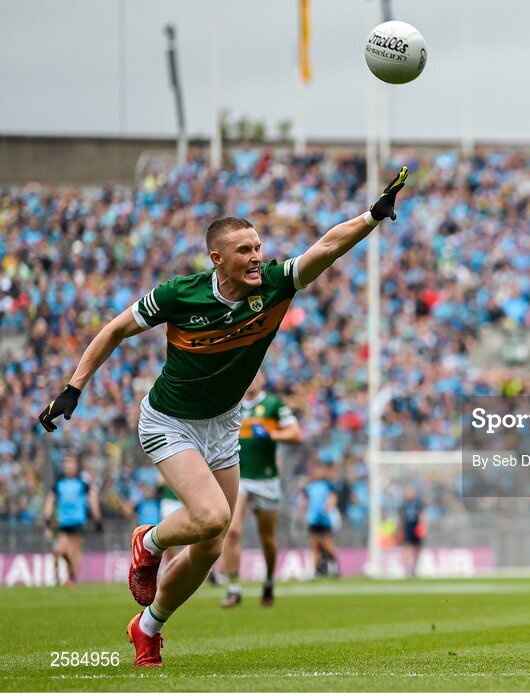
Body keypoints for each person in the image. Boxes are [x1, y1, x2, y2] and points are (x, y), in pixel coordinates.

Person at [38, 168, 409, 667]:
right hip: (169, 421)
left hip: (222, 425)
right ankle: (147, 541)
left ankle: (148, 627)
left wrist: (371, 217)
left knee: (211, 547)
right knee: (212, 517)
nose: (257, 257)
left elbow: (326, 247)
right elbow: (114, 330)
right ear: (218, 259)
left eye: (258, 247)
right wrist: (73, 387)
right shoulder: (180, 294)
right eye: (244, 251)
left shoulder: (275, 284)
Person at [221, 372, 302, 608]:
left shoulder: (273, 404)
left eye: (255, 375)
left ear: (263, 379)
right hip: (239, 477)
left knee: (267, 537)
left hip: (266, 478)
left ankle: (268, 581)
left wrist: (271, 434)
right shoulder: (231, 404)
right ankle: (234, 587)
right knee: (233, 530)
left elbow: (296, 434)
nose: (251, 379)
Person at [42, 455, 101, 588]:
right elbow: (50, 500)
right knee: (62, 550)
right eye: (67, 464)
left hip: (78, 521)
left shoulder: (82, 483)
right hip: (63, 522)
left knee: (74, 550)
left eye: (72, 464)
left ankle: (72, 577)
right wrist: (47, 518)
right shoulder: (58, 484)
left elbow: (92, 498)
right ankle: (70, 574)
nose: (70, 467)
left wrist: (97, 517)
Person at [302, 463, 339, 578]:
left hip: (324, 519)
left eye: (320, 470)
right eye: (316, 470)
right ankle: (316, 569)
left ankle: (334, 565)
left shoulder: (328, 485)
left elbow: (333, 498)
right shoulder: (310, 486)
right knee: (314, 545)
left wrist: (328, 507)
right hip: (313, 519)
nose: (318, 472)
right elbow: (306, 501)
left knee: (327, 544)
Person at [398, 484, 426, 578]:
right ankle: (407, 569)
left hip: (416, 527)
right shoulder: (403, 505)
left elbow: (421, 516)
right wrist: (400, 530)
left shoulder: (418, 504)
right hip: (407, 528)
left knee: (417, 548)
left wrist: (422, 527)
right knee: (407, 548)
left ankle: (414, 569)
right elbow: (401, 518)